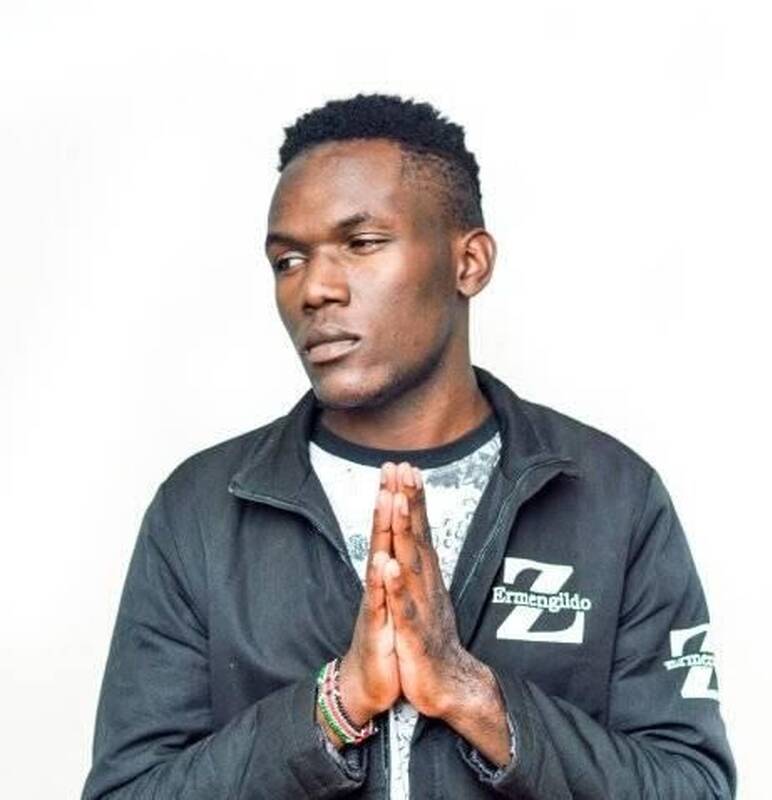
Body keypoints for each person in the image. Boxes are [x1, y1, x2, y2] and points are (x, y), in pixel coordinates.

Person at [81, 93, 736, 799]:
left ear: (469, 262)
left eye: (362, 244)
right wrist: (335, 704)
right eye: (288, 260)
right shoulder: (203, 510)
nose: (314, 289)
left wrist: (474, 696)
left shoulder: (610, 496)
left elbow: (694, 787)